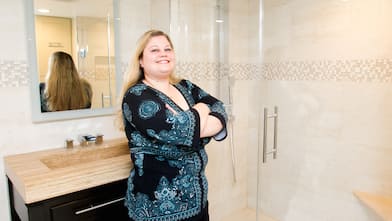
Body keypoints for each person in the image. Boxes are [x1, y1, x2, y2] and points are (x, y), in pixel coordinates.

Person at [118, 29, 228, 221]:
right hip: (157, 209)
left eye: (167, 49)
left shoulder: (185, 86)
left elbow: (219, 106)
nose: (163, 53)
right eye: (154, 50)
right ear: (141, 61)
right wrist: (201, 109)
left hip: (198, 201)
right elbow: (180, 131)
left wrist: (195, 123)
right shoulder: (137, 97)